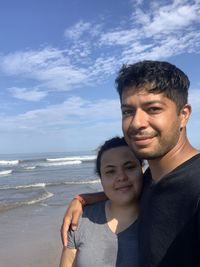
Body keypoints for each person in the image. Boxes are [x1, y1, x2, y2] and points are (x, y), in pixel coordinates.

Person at [61, 60, 200, 266]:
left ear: (183, 115)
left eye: (153, 109)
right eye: (127, 111)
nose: (136, 123)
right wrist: (83, 199)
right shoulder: (151, 179)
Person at [59, 137, 143, 267]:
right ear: (101, 178)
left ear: (142, 169)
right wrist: (80, 199)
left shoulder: (158, 218)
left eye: (129, 167)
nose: (121, 177)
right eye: (110, 171)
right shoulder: (79, 220)